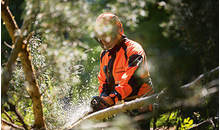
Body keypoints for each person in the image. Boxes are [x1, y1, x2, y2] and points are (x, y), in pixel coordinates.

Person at [92, 12, 154, 129]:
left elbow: (132, 79)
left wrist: (112, 98)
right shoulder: (104, 55)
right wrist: (103, 97)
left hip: (139, 104)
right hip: (118, 105)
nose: (103, 39)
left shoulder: (133, 49)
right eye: (101, 35)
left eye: (106, 35)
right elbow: (103, 81)